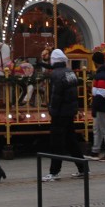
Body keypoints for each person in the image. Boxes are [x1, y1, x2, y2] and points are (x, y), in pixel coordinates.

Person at [42, 49, 87, 182]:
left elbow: (56, 96)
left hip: (60, 113)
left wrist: (52, 110)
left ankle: (54, 172)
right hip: (70, 112)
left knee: (56, 143)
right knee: (71, 141)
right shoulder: (70, 72)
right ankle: (83, 168)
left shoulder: (56, 74)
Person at [85, 51, 105, 162]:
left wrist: (95, 106)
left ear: (95, 62)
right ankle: (95, 150)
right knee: (97, 128)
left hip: (102, 106)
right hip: (104, 105)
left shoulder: (102, 75)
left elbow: (101, 93)